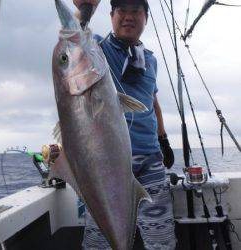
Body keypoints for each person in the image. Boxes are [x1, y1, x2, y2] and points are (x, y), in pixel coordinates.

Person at [73, 0, 176, 249]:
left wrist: (164, 140)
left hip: (150, 160)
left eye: (136, 11)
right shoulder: (97, 48)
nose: (129, 16)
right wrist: (84, 9)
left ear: (145, 18)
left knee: (160, 239)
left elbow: (152, 101)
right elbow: (75, 35)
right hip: (106, 161)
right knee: (100, 238)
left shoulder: (150, 60)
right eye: (122, 10)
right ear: (111, 15)